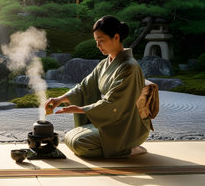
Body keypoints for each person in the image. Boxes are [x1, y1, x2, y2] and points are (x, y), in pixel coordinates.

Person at [44, 15, 151, 158]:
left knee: (79, 143)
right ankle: (117, 147)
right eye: (96, 41)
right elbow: (84, 88)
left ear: (116, 37)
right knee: (69, 137)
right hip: (111, 120)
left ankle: (129, 149)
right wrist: (59, 99)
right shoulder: (104, 64)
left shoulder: (129, 67)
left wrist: (80, 109)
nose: (98, 46)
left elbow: (114, 104)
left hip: (128, 126)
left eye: (101, 41)